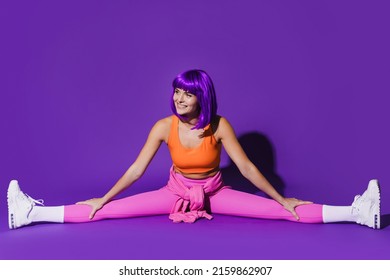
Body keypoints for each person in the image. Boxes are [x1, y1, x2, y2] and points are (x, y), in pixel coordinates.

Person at [7, 69, 381, 230]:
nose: (179, 97)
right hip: (173, 193)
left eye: (187, 92)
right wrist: (102, 198)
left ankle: (357, 211)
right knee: (100, 213)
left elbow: (248, 168)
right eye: (177, 91)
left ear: (201, 96)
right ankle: (29, 215)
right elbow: (137, 170)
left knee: (285, 213)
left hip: (215, 193)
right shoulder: (162, 126)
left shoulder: (219, 126)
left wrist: (281, 198)